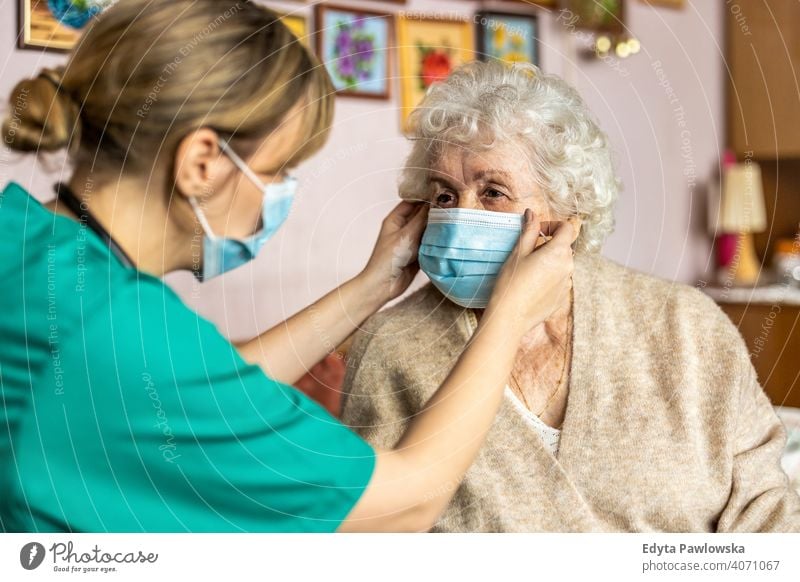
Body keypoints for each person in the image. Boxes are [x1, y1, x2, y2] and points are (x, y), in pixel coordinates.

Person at [0, 1, 575, 532]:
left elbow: (206, 394)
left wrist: (369, 288)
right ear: (202, 162)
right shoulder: (119, 333)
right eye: (277, 169)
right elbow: (408, 502)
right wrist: (510, 313)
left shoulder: (24, 238)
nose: (279, 194)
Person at [340, 60, 800, 532]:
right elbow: (375, 541)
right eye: (444, 196)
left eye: (493, 191)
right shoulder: (391, 347)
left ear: (566, 209)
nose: (462, 215)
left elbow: (768, 510)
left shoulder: (684, 325)